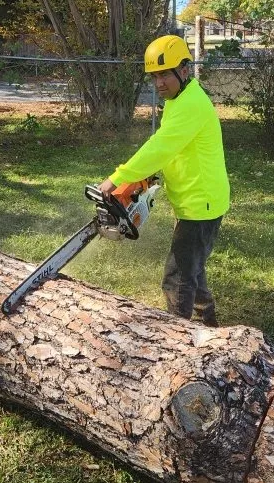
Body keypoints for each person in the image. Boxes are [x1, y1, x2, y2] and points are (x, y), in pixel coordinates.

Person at [99, 35, 230, 326]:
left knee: (178, 278)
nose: (159, 84)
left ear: (184, 70)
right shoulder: (180, 99)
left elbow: (161, 146)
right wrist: (147, 173)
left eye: (164, 75)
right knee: (193, 271)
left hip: (201, 205)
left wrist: (117, 178)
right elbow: (171, 145)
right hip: (198, 201)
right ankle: (208, 326)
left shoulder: (191, 104)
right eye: (154, 77)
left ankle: (178, 337)